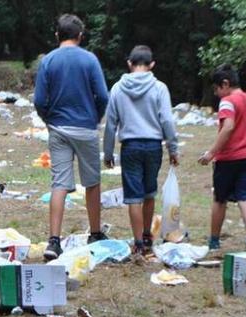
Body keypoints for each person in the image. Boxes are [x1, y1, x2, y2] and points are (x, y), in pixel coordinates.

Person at [34, 14, 110, 261]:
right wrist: (95, 118)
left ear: (57, 35)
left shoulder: (48, 61)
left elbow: (38, 100)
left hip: (58, 128)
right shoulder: (89, 59)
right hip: (86, 128)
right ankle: (95, 233)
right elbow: (103, 96)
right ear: (80, 36)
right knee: (92, 182)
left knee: (59, 183)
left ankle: (54, 241)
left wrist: (48, 120)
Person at [103, 45, 178, 258]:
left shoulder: (118, 88)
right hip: (154, 146)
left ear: (129, 63)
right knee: (149, 192)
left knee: (133, 196)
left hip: (130, 147)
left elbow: (110, 123)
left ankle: (137, 243)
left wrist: (108, 153)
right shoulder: (160, 87)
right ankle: (147, 236)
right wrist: (173, 148)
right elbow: (167, 120)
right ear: (152, 64)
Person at [198, 64, 246, 253]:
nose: (216, 94)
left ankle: (214, 241)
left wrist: (211, 153)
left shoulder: (228, 101)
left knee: (220, 199)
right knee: (245, 197)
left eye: (216, 89)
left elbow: (228, 127)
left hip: (228, 159)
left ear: (225, 84)